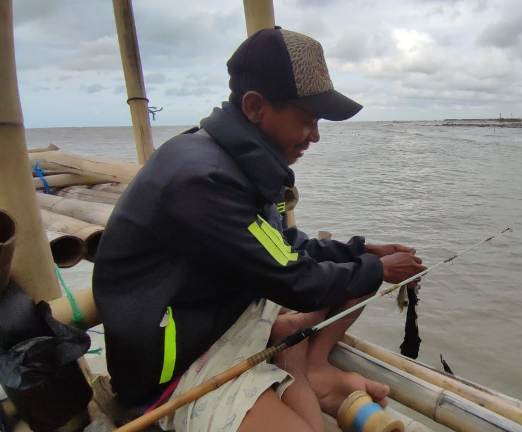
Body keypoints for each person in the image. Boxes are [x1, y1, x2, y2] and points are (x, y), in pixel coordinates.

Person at [93, 27, 426, 431]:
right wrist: (381, 268)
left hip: (219, 312)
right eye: (306, 119)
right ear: (255, 106)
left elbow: (280, 244)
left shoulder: (238, 159)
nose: (315, 136)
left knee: (360, 271)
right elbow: (292, 279)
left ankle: (309, 365)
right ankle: (297, 366)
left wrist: (362, 250)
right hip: (176, 360)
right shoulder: (202, 179)